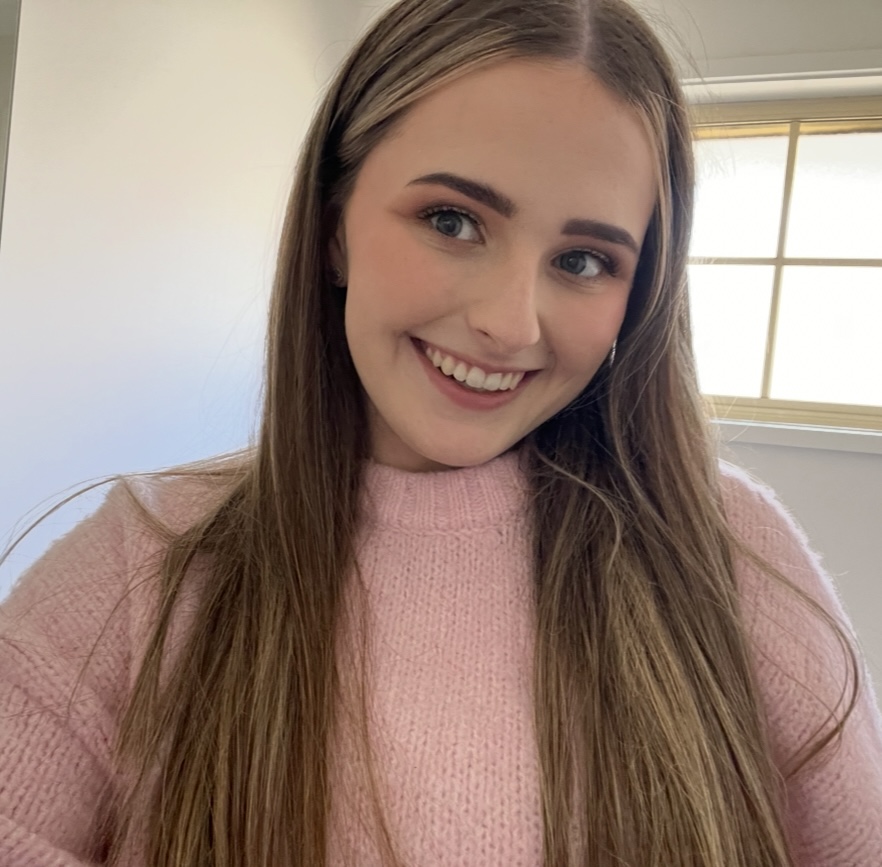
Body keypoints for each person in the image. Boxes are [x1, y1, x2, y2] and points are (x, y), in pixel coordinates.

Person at [1, 0, 881, 864]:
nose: (509, 322)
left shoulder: (725, 552)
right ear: (333, 225)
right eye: (452, 221)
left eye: (582, 261)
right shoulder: (143, 561)